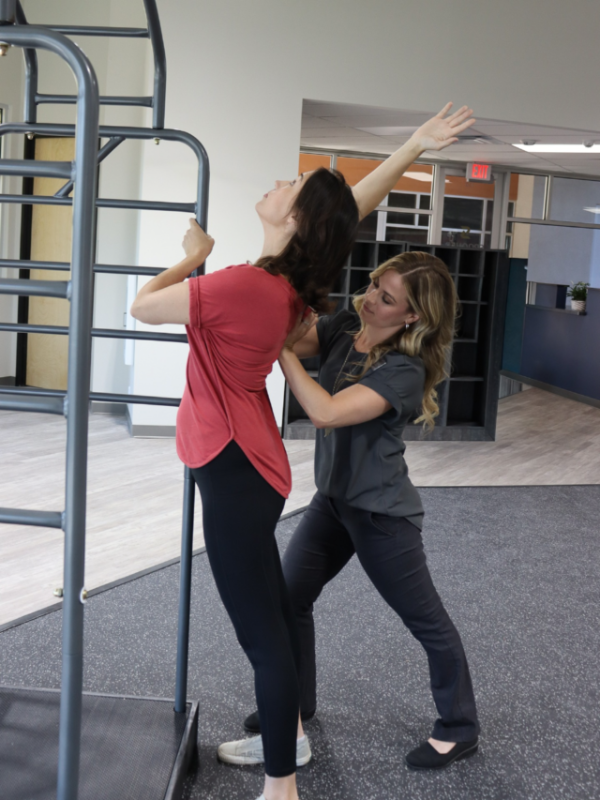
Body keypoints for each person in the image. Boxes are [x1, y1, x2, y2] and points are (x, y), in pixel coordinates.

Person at [130, 103, 475, 800]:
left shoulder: (263, 293)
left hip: (322, 493)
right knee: (282, 607)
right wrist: (412, 144)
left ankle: (293, 777)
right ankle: (291, 727)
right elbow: (347, 214)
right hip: (289, 480)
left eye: (291, 187)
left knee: (299, 626)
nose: (279, 183)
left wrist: (196, 260)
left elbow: (143, 306)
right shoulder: (306, 296)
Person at [241, 250, 480, 772]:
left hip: (381, 515)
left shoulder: (404, 369)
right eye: (374, 286)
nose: (370, 298)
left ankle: (460, 727)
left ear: (413, 316)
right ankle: (297, 705)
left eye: (387, 298)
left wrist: (283, 351)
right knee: (289, 599)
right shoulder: (349, 325)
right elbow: (293, 336)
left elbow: (325, 412)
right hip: (332, 503)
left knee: (426, 622)